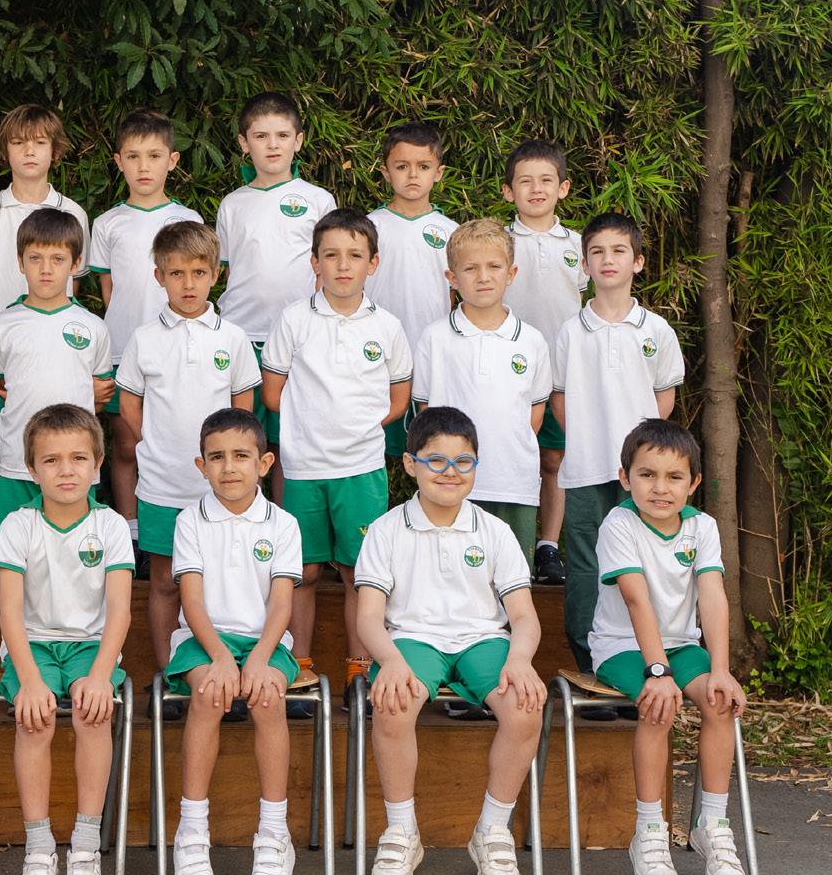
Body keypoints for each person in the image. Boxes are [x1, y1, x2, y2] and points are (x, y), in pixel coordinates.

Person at [353, 407, 547, 875]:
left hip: (483, 641)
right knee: (393, 702)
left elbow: (524, 617)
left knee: (525, 706)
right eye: (435, 460)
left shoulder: (495, 531)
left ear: (477, 466)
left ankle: (492, 830)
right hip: (412, 640)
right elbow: (369, 617)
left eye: (463, 462)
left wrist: (519, 659)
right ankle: (402, 831)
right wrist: (390, 660)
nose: (450, 472)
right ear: (410, 464)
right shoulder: (386, 530)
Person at [588, 420, 747, 875]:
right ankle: (650, 829)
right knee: (660, 704)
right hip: (623, 646)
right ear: (625, 478)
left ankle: (711, 825)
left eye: (674, 477)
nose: (660, 488)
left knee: (719, 701)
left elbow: (712, 596)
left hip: (681, 645)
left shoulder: (702, 526)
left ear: (693, 482)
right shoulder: (619, 523)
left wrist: (720, 670)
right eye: (647, 474)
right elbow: (636, 600)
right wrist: (658, 673)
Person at [261, 209, 410, 694]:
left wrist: (356, 428)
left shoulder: (387, 326)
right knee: (302, 572)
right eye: (331, 255)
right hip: (304, 469)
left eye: (355, 255)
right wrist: (312, 427)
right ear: (315, 262)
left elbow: (399, 399)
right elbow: (273, 393)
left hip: (361, 469)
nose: (343, 265)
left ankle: (358, 671)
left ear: (373, 263)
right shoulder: (293, 320)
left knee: (358, 573)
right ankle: (299, 665)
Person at [0, 405, 134, 875]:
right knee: (35, 719)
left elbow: (120, 611)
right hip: (31, 644)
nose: (66, 470)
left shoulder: (111, 525)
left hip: (90, 646)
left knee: (94, 713)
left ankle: (86, 850)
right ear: (32, 469)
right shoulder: (18, 524)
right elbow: (9, 613)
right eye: (51, 460)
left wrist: (100, 675)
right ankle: (38, 851)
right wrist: (30, 681)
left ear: (98, 465)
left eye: (78, 458)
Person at [165, 408, 303, 875]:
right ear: (201, 466)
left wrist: (260, 658)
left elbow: (282, 605)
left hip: (265, 640)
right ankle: (192, 834)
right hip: (204, 639)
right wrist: (221, 657)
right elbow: (192, 601)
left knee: (267, 697)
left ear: (264, 463)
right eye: (217, 457)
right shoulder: (190, 521)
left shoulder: (283, 524)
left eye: (241, 456)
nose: (229, 467)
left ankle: (274, 835)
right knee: (209, 694)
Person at [116, 222, 259, 677]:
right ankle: (168, 676)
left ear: (215, 274)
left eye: (198, 272)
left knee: (215, 584)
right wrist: (156, 446)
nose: (188, 284)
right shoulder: (144, 338)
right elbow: (130, 407)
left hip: (220, 489)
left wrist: (227, 461)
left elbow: (242, 413)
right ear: (159, 277)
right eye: (176, 273)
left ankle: (217, 668)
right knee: (164, 582)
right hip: (162, 485)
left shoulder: (232, 337)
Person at [551, 213, 683, 674]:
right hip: (586, 470)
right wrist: (588, 438)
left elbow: (664, 397)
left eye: (619, 251)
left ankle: (645, 661)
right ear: (584, 264)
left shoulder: (656, 330)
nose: (608, 260)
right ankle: (590, 669)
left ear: (638, 262)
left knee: (644, 562)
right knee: (586, 566)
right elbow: (559, 399)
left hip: (644, 476)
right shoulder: (570, 331)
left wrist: (642, 457)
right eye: (598, 252)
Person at [88, 109, 203, 550]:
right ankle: (130, 532)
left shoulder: (188, 218)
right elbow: (109, 291)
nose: (143, 167)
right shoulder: (107, 222)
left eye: (154, 156)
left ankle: (190, 528)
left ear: (172, 161)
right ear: (119, 161)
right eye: (133, 156)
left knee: (176, 438)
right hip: (123, 349)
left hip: (177, 349)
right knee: (126, 444)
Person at [412, 219, 552, 572]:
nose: (483, 277)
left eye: (494, 267)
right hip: (449, 481)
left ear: (511, 273)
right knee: (449, 578)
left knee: (511, 580)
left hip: (512, 483)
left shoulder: (532, 341)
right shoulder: (434, 338)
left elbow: (534, 415)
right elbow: (426, 413)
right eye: (471, 268)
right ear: (452, 278)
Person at [214, 92, 337, 450]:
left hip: (298, 336)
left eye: (282, 135)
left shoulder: (318, 200)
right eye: (261, 136)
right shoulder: (232, 204)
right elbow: (229, 269)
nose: (272, 145)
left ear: (298, 141)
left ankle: (286, 492)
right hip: (241, 333)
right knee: (239, 439)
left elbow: (326, 270)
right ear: (244, 142)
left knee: (289, 441)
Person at [0, 207, 113, 533]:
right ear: (20, 262)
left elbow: (98, 396)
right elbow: (4, 386)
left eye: (57, 259)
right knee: (14, 547)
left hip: (75, 466)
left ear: (75, 264)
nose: (46, 269)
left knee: (75, 546)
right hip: (18, 462)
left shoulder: (94, 327)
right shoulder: (1, 326)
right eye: (35, 258)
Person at [0, 104, 92, 440]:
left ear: (55, 151)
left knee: (59, 436)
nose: (29, 151)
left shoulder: (73, 213)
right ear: (5, 151)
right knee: (5, 437)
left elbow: (74, 285)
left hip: (57, 352)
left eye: (40, 143)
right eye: (18, 143)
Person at [500, 140, 586, 585]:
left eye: (546, 180)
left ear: (563, 188)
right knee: (507, 455)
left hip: (560, 371)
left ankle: (547, 546)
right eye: (525, 181)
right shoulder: (499, 242)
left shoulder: (579, 245)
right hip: (505, 369)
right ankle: (503, 542)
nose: (536, 189)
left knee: (553, 459)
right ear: (508, 191)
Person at [365, 122, 458, 459]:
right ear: (386, 172)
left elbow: (452, 295)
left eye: (423, 166)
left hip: (430, 353)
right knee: (372, 445)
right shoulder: (369, 227)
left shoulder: (451, 231)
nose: (413, 175)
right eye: (402, 166)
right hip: (377, 354)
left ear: (439, 173)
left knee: (433, 447)